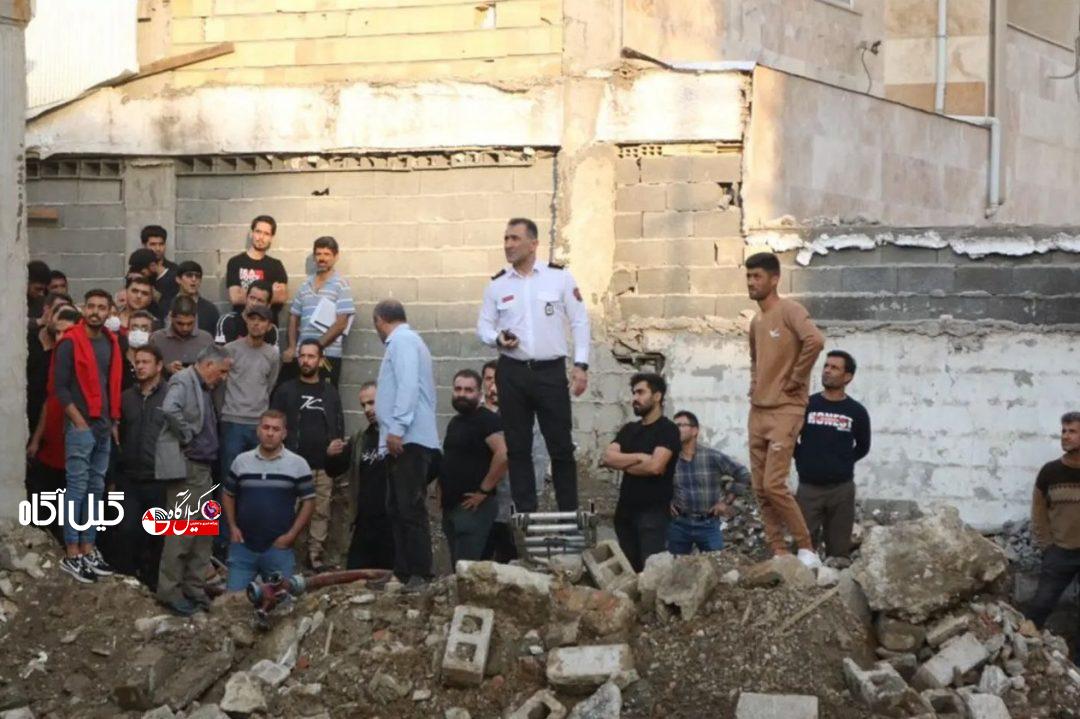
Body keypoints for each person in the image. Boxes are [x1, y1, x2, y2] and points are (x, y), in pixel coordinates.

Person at [476, 217, 590, 513]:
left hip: (550, 371)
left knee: (560, 446)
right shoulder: (497, 284)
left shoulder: (559, 277)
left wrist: (581, 365)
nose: (508, 245)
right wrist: (498, 338)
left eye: (514, 238)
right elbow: (483, 327)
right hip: (512, 371)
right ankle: (526, 512)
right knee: (517, 446)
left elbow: (580, 321)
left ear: (533, 243)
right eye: (506, 239)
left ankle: (568, 512)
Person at [745, 252, 825, 567]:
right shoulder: (756, 321)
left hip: (786, 409)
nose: (751, 282)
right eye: (748, 276)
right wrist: (754, 385)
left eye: (757, 276)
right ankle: (778, 550)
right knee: (759, 487)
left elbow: (815, 340)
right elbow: (755, 360)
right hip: (758, 411)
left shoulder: (790, 310)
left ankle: (806, 548)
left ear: (774, 279)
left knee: (773, 484)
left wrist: (797, 378)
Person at [54, 289, 123, 584]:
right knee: (77, 488)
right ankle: (72, 552)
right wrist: (79, 421)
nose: (95, 311)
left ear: (109, 311)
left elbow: (111, 384)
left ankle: (89, 548)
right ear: (83, 308)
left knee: (96, 489)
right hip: (81, 426)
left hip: (104, 425)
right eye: (91, 306)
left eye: (101, 307)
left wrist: (113, 421)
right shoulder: (70, 342)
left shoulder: (111, 341)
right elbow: (60, 388)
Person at [155, 345, 230, 616]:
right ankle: (170, 592)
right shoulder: (183, 380)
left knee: (201, 534)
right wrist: (187, 435)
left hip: (203, 469)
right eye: (222, 371)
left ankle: (193, 587)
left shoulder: (203, 386)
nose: (223, 377)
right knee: (182, 532)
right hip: (188, 468)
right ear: (209, 365)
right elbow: (169, 408)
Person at [373, 299, 439, 591]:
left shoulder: (403, 341)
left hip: (408, 439)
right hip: (401, 440)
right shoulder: (405, 342)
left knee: (409, 507)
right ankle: (402, 572)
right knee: (397, 507)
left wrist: (397, 428)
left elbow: (408, 385)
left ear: (379, 320)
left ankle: (421, 573)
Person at [270, 340, 347, 571]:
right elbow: (273, 425)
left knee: (321, 512)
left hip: (323, 465)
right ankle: (286, 556)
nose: (306, 360)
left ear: (321, 360)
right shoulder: (286, 390)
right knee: (288, 511)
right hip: (292, 465)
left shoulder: (330, 392)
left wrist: (336, 449)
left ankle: (315, 556)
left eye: (311, 356)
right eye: (302, 356)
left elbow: (339, 424)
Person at [223, 410, 316, 592]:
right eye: (266, 427)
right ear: (258, 430)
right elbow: (228, 494)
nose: (270, 433)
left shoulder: (298, 464)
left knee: (283, 602)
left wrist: (291, 536)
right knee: (233, 601)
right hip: (243, 548)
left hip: (279, 549)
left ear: (284, 433)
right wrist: (232, 527)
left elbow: (309, 501)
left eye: (276, 429)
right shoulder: (241, 462)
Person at [794, 350, 871, 560]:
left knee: (839, 552)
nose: (827, 371)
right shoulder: (807, 405)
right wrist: (804, 459)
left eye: (834, 368)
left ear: (848, 377)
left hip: (841, 491)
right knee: (803, 549)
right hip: (808, 490)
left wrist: (842, 462)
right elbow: (790, 439)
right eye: (826, 366)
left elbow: (863, 446)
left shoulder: (856, 411)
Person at [602, 373, 681, 572]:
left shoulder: (668, 430)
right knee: (628, 572)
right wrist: (639, 457)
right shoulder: (629, 429)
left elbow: (655, 467)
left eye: (640, 392)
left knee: (650, 573)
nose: (634, 398)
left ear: (657, 396)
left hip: (653, 515)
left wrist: (623, 463)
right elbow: (607, 458)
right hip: (624, 514)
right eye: (633, 393)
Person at [219, 305, 281, 544]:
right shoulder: (231, 349)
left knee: (255, 482)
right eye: (252, 319)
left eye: (261, 320)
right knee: (229, 481)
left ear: (269, 326)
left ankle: (252, 536)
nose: (256, 324)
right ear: (246, 321)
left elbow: (270, 384)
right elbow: (221, 383)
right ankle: (226, 540)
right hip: (233, 422)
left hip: (258, 425)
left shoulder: (272, 354)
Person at [1026, 411, 1080, 665]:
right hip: (1060, 551)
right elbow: (1038, 513)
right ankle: (1025, 657)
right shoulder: (1050, 472)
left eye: (1072, 431)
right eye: (1064, 431)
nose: (1065, 436)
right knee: (1040, 604)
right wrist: (1047, 546)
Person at [439, 369, 508, 567]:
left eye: (468, 390)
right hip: (452, 508)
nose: (462, 394)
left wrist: (483, 491)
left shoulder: (487, 420)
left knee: (467, 570)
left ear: (479, 393)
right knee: (458, 569)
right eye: (458, 389)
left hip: (473, 509)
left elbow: (504, 454)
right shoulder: (455, 422)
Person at [114, 344, 169, 588]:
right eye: (137, 362)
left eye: (146, 362)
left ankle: (153, 585)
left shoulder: (171, 396)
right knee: (126, 531)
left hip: (159, 479)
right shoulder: (126, 397)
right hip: (129, 478)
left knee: (157, 535)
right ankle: (128, 584)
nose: (140, 366)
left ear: (159, 366)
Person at [26, 304, 81, 544]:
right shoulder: (56, 360)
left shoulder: (86, 362)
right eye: (57, 333)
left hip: (75, 447)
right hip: (51, 448)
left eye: (67, 333)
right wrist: (36, 440)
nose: (61, 338)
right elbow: (50, 401)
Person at [668, 411, 751, 555]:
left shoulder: (712, 457)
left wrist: (725, 502)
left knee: (716, 563)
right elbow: (656, 482)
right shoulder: (670, 459)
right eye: (674, 426)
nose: (677, 429)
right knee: (676, 565)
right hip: (679, 524)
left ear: (695, 430)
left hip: (708, 524)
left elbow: (743, 474)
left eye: (681, 425)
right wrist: (666, 501)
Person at [285, 236, 354, 387]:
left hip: (328, 356)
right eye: (318, 254)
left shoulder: (341, 284)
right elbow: (294, 317)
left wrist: (317, 347)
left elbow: (341, 323)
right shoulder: (305, 285)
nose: (322, 258)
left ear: (336, 257)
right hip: (303, 356)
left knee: (325, 396)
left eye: (327, 254)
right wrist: (292, 347)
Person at [342, 382, 394, 571]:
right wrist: (331, 455)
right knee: (355, 574)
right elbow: (335, 469)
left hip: (392, 523)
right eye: (363, 405)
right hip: (364, 521)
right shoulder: (361, 438)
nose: (367, 409)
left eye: (372, 403)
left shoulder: (400, 435)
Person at [480, 361, 517, 563]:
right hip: (479, 499)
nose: (492, 385)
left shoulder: (517, 416)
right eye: (488, 379)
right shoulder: (475, 415)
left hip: (508, 499)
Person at [226, 215, 288, 322]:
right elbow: (235, 298)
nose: (261, 237)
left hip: (267, 326)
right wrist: (269, 293)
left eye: (266, 234)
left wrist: (245, 293)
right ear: (252, 233)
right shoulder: (235, 262)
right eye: (258, 232)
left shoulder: (276, 265)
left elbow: (281, 297)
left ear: (271, 238)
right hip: (241, 324)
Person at [27, 292, 74, 431]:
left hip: (54, 419)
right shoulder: (27, 340)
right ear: (47, 310)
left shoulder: (68, 350)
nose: (60, 317)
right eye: (57, 310)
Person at [150, 296, 213, 377]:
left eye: (190, 323)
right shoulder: (157, 339)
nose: (185, 328)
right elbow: (148, 369)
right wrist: (166, 369)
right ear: (171, 317)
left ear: (195, 318)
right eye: (180, 323)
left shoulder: (206, 339)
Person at [215, 281, 279, 347]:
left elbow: (271, 353)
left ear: (268, 306)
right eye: (252, 298)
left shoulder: (270, 329)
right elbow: (220, 351)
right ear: (246, 298)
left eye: (260, 300)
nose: (254, 303)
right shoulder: (227, 321)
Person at [171, 261, 220, 334]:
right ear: (178, 279)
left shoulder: (210, 309)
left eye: (197, 276)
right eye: (189, 275)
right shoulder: (168, 305)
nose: (194, 279)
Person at [141, 225, 179, 313]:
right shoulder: (138, 270)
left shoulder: (175, 270)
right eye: (153, 244)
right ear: (144, 245)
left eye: (161, 244)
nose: (158, 248)